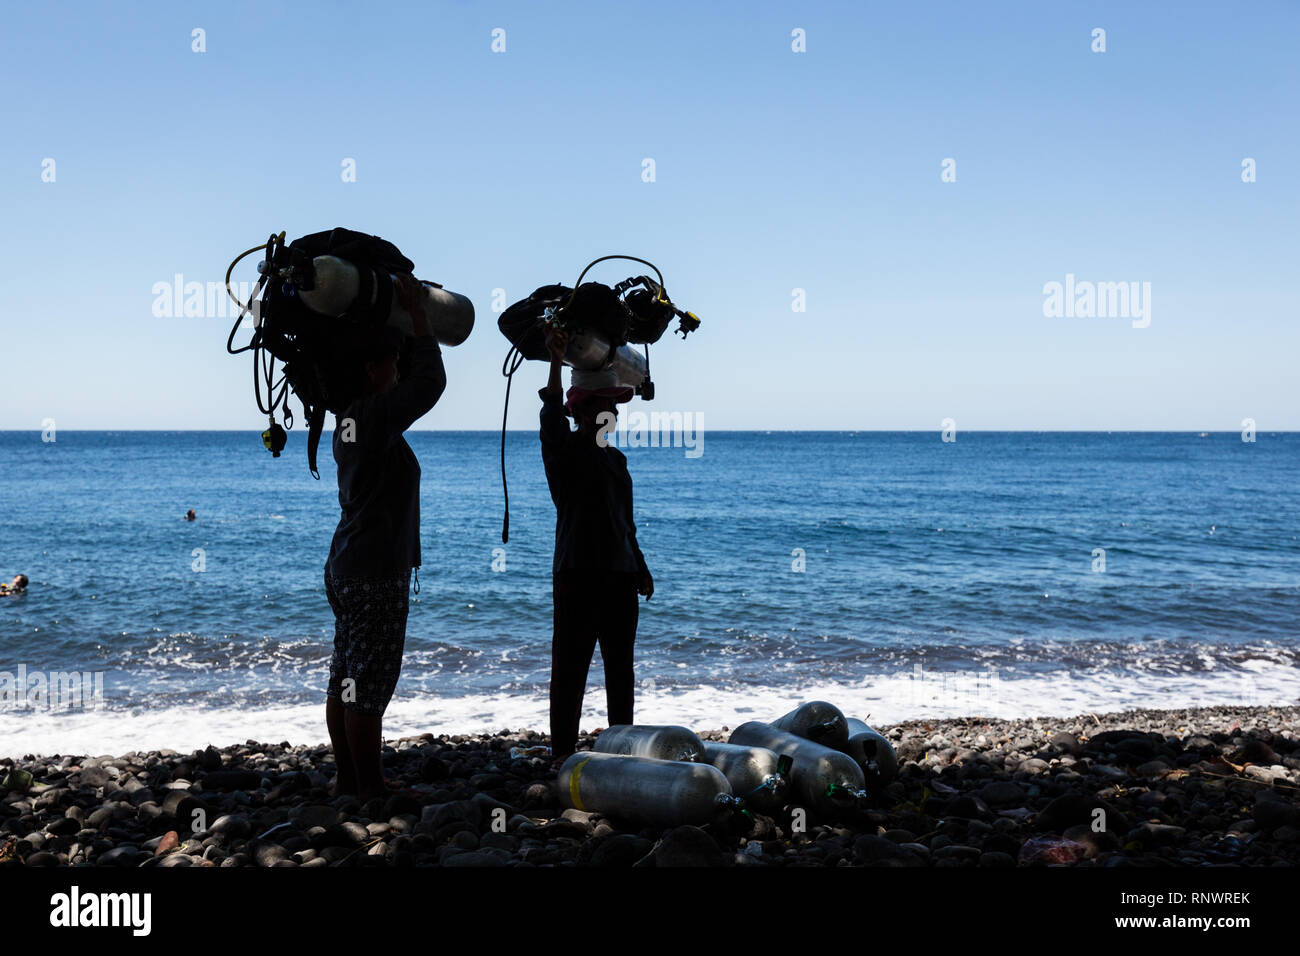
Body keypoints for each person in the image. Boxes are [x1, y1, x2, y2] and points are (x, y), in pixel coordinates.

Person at [323, 275, 446, 802]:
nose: (397, 374)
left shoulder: (351, 419)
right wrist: (420, 320)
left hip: (349, 565)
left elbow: (415, 389)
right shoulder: (369, 416)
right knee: (368, 683)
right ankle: (369, 787)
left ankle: (351, 779)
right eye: (391, 364)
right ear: (373, 370)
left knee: (346, 676)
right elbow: (429, 386)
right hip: (373, 569)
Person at [539, 327, 653, 768]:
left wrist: (640, 566)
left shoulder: (616, 460)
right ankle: (562, 752)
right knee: (570, 668)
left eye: (614, 407)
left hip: (620, 576)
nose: (613, 414)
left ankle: (620, 746)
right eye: (605, 406)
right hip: (579, 574)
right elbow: (551, 411)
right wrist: (553, 360)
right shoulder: (564, 453)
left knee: (620, 669)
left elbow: (625, 522)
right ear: (584, 412)